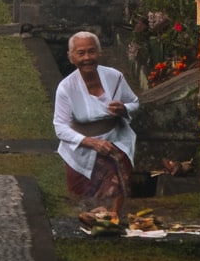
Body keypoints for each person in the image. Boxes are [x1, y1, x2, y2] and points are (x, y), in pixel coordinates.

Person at [53, 30, 140, 215]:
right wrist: (92, 143)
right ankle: (90, 220)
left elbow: (134, 102)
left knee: (116, 178)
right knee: (84, 202)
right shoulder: (66, 88)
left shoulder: (114, 77)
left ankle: (113, 217)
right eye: (81, 53)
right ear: (71, 58)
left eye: (91, 52)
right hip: (82, 148)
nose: (87, 58)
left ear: (99, 53)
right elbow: (60, 127)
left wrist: (123, 109)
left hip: (115, 139)